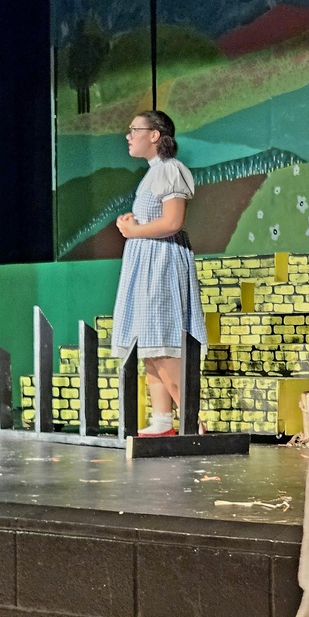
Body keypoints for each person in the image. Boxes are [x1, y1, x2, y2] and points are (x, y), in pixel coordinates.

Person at [112, 110, 207, 436]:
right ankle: (163, 422)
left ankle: (194, 423)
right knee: (150, 347)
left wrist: (133, 231)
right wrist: (133, 227)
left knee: (164, 346)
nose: (129, 135)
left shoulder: (170, 170)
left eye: (134, 129)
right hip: (147, 262)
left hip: (163, 264)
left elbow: (172, 222)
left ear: (155, 135)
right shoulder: (152, 174)